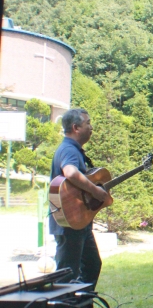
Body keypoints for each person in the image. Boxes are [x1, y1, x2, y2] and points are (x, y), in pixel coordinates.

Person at [49, 109, 111, 289]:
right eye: (88, 123)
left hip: (79, 222)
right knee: (67, 275)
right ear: (76, 128)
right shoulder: (69, 149)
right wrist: (95, 191)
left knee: (91, 265)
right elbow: (70, 172)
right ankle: (65, 306)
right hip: (69, 222)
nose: (91, 127)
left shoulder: (74, 150)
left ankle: (81, 303)